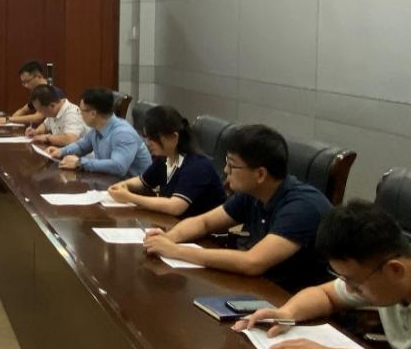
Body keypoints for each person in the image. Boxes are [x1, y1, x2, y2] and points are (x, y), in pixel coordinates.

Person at [234, 201, 411, 349]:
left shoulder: (382, 270)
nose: (349, 289)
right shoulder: (381, 272)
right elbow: (325, 294)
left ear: (395, 270)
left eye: (353, 281)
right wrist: (288, 313)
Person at [141, 124, 332, 292]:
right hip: (258, 286)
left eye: (232, 166)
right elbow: (205, 222)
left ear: (260, 174)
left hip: (288, 298)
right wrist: (168, 238)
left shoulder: (301, 208)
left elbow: (252, 262)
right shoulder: (253, 193)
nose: (225, 171)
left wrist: (175, 251)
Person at [107, 105, 225, 217]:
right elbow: (142, 182)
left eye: (154, 138)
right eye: (147, 137)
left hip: (204, 230)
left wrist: (129, 197)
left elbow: (175, 206)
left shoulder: (197, 166)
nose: (148, 143)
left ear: (174, 137)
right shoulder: (165, 158)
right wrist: (124, 185)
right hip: (175, 223)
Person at [46, 87, 151, 177]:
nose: (79, 114)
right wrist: (61, 152)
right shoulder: (97, 128)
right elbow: (81, 146)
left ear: (93, 114)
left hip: (135, 188)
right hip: (112, 182)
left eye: (81, 110)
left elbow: (118, 167)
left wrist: (80, 163)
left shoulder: (123, 134)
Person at [0, 60, 64, 127]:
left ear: (38, 75)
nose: (25, 85)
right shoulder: (37, 93)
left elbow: (37, 117)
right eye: (23, 83)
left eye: (27, 81)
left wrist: (8, 120)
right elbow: (23, 110)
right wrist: (8, 122)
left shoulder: (52, 92)